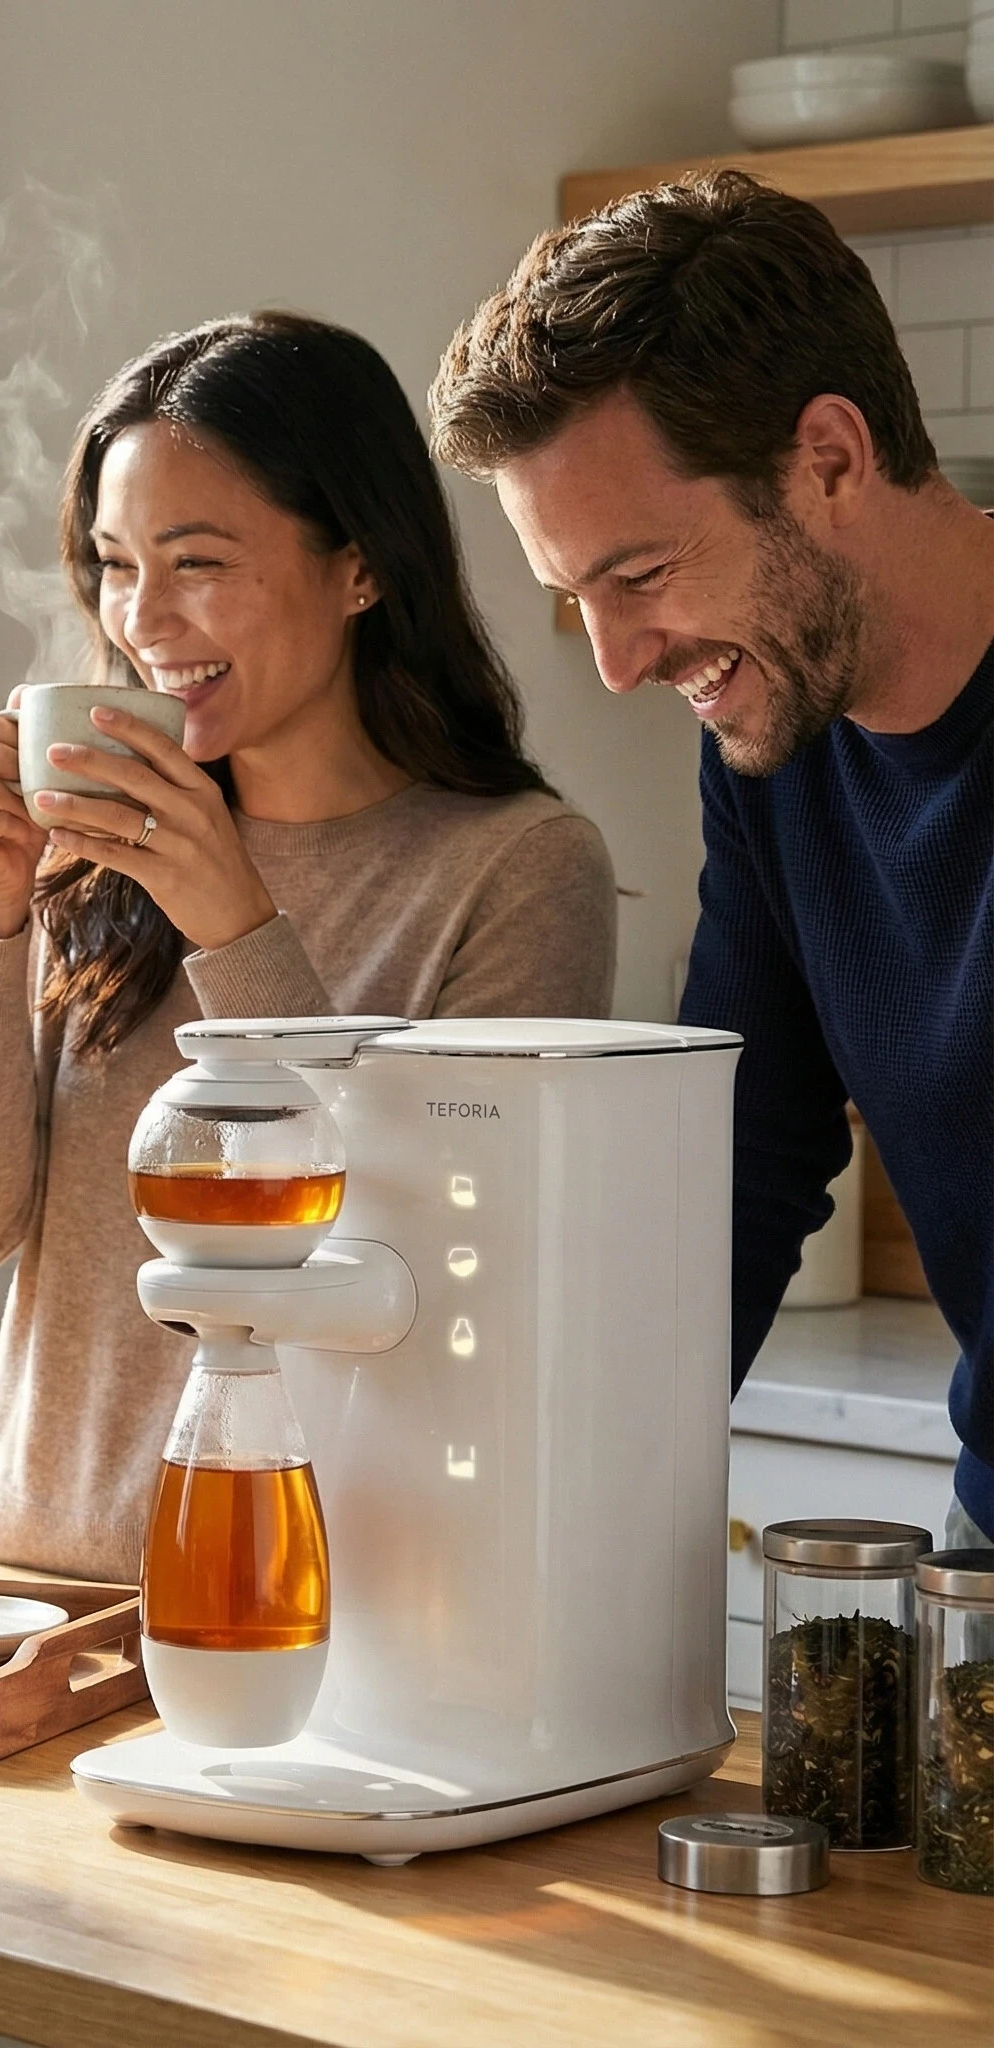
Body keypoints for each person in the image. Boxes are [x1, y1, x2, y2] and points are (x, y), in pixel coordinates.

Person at [0, 312, 618, 1584]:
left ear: (360, 565)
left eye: (197, 561)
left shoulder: (517, 867)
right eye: (114, 563)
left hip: (309, 1601)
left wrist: (237, 927)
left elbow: (429, 1274)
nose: (141, 618)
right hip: (31, 1589)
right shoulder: (90, 857)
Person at [429, 170, 994, 1547]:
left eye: (640, 576)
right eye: (576, 601)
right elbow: (741, 1159)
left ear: (831, 459)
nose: (618, 665)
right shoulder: (776, 749)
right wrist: (554, 1515)